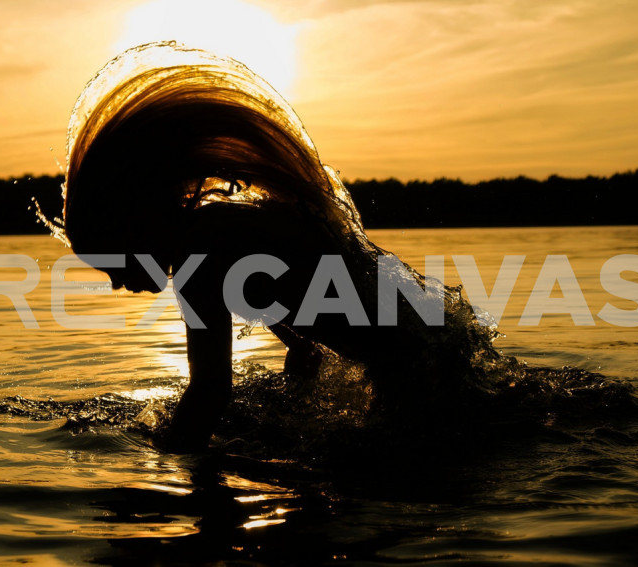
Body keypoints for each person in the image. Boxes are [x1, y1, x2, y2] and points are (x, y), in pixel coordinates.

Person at [56, 42, 503, 451]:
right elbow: (305, 351)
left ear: (134, 229)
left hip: (417, 388)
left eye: (110, 264)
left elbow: (210, 392)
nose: (115, 283)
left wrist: (157, 456)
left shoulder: (202, 254)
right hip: (437, 360)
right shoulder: (227, 231)